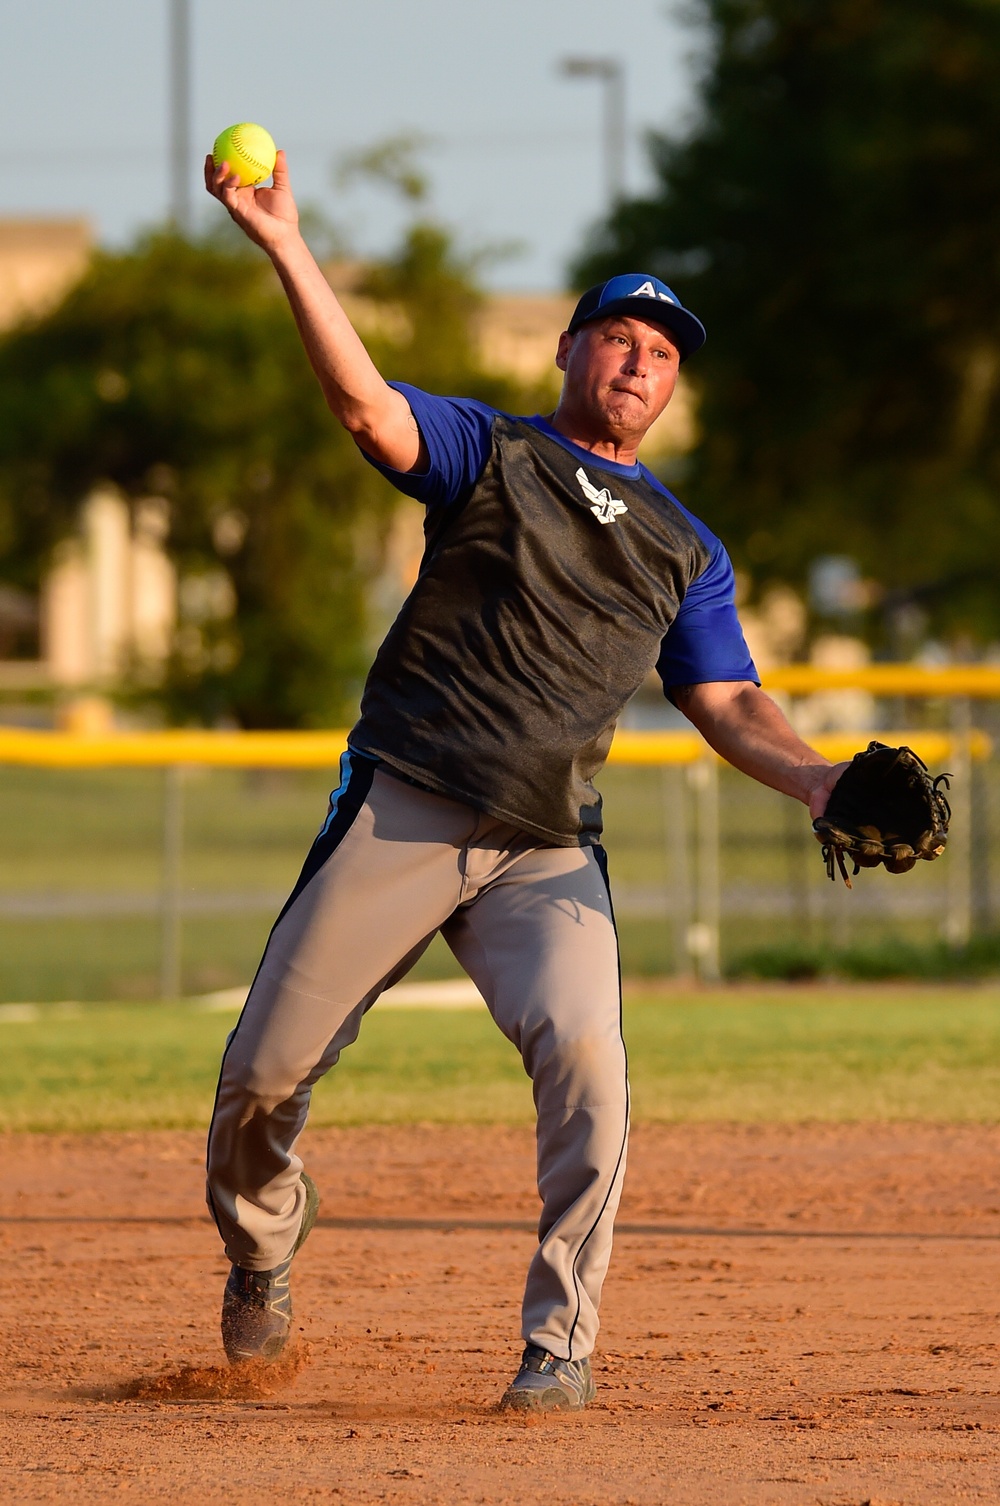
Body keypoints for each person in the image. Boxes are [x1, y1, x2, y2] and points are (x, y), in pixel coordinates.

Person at [203, 148, 845, 1412]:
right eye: (618, 337)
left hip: (546, 847)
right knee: (260, 1082)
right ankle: (263, 1242)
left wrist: (818, 781)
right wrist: (286, 244)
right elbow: (366, 411)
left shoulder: (684, 547)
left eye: (661, 354)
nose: (639, 363)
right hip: (408, 806)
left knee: (593, 1080)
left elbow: (724, 700)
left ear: (671, 388)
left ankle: (559, 1348)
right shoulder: (492, 454)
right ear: (568, 351)